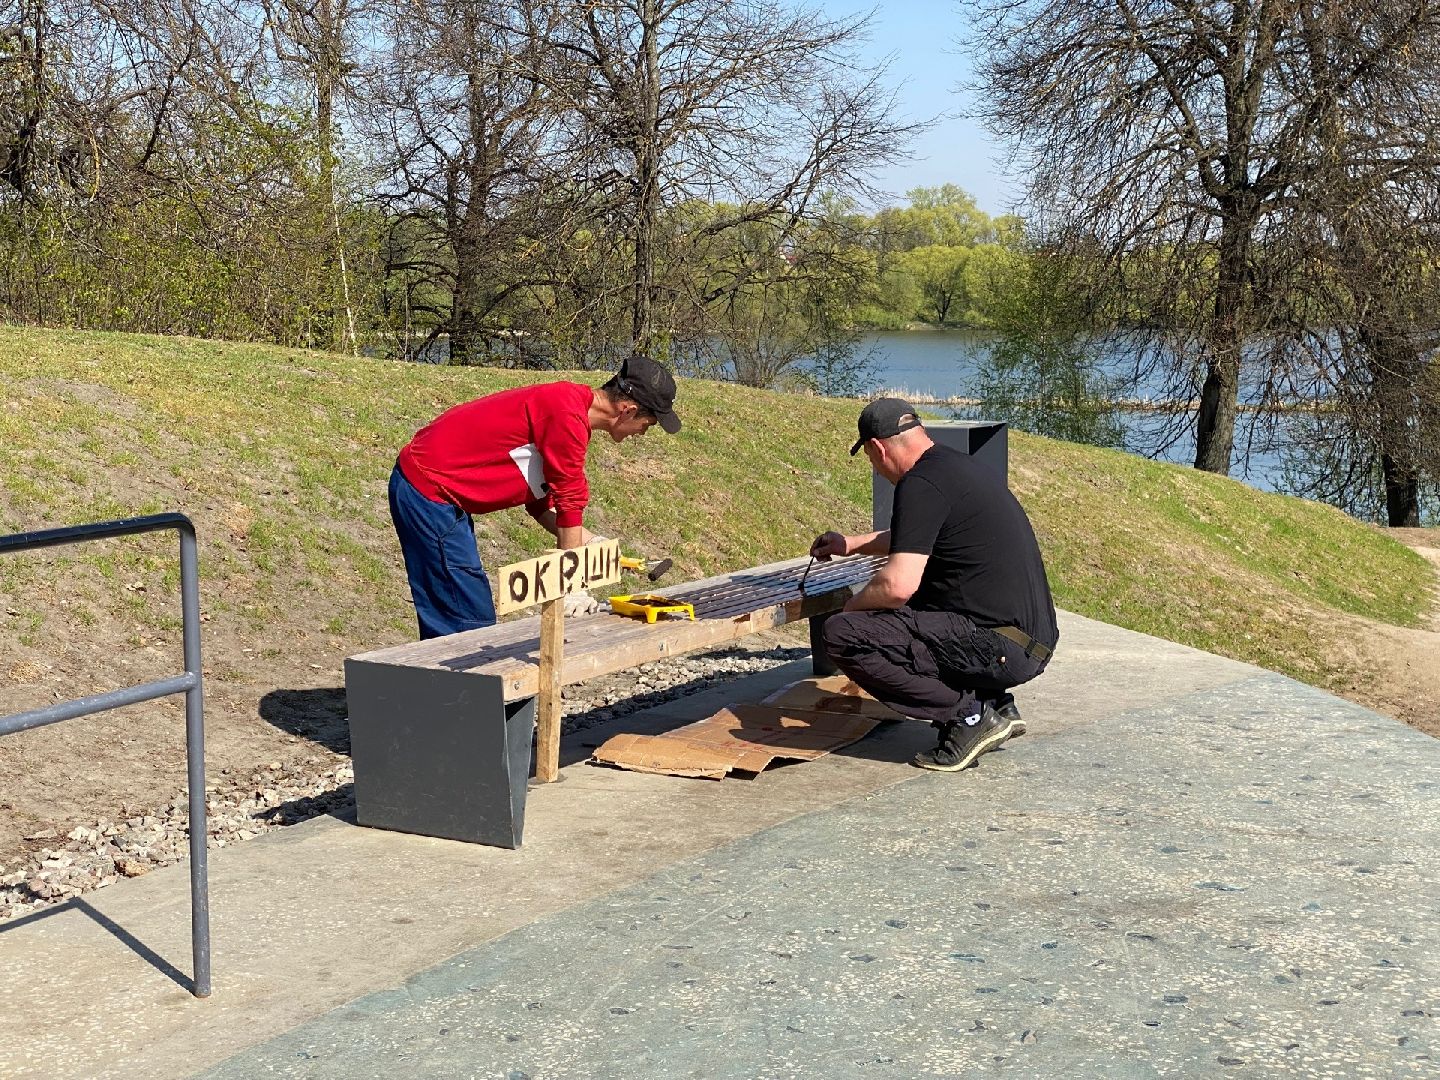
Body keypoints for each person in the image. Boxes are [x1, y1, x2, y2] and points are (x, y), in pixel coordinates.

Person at [810, 398, 1057, 772]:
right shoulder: (953, 467)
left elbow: (896, 586)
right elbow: (916, 536)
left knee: (846, 633)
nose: (876, 469)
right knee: (916, 606)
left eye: (871, 459)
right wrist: (851, 544)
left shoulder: (920, 484)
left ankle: (969, 718)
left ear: (877, 448)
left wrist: (852, 608)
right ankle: (992, 701)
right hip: (1029, 641)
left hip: (1001, 645)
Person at [389, 353, 681, 639]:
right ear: (628, 410)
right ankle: (454, 686)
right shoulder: (567, 416)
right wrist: (571, 581)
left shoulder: (568, 406)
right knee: (465, 619)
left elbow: (541, 503)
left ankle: (454, 683)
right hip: (428, 491)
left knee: (462, 608)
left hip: (436, 489)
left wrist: (589, 542)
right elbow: (569, 499)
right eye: (649, 424)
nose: (642, 433)